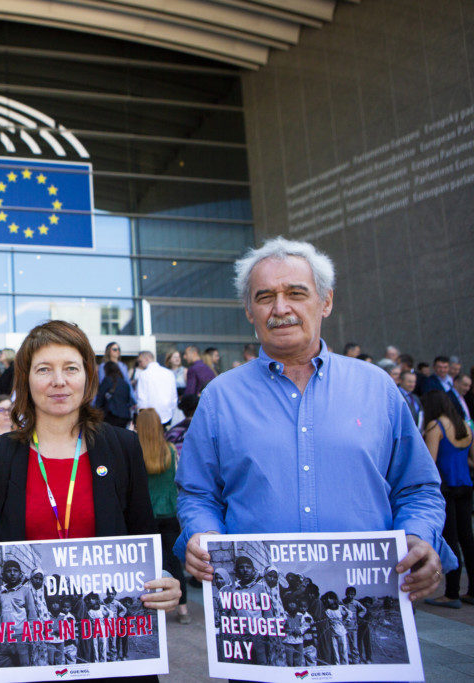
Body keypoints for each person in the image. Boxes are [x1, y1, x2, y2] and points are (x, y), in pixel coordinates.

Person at [177, 237, 452, 610]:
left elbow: (418, 488)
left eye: (296, 293)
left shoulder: (378, 389)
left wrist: (420, 537)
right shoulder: (218, 398)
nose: (280, 308)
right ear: (248, 310)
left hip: (365, 609)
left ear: (326, 301)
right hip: (261, 618)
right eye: (264, 297)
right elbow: (198, 493)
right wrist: (203, 534)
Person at [0, 319, 180, 683]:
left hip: (104, 652)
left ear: (88, 377)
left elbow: (144, 535)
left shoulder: (122, 447)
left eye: (70, 368)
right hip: (24, 644)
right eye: (44, 370)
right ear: (25, 379)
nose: (59, 381)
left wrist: (165, 577)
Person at [420, 390, 474, 608]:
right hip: (465, 486)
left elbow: (430, 463)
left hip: (446, 488)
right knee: (468, 538)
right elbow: (472, 461)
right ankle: (472, 590)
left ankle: (452, 593)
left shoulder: (435, 426)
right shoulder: (465, 425)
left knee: (450, 539)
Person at [136, 408, 189, 624]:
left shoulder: (135, 452)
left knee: (149, 562)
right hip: (169, 511)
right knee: (174, 560)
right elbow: (178, 480)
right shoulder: (169, 450)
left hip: (145, 514)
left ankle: (151, 607)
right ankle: (183, 608)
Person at [134, 351, 177, 425]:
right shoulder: (169, 373)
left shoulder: (143, 375)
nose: (140, 364)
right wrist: (171, 412)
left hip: (149, 417)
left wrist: (141, 416)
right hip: (167, 415)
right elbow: (174, 397)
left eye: (140, 361)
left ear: (146, 359)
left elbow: (142, 399)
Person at [96, 361, 133, 428]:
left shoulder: (107, 380)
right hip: (124, 416)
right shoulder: (124, 383)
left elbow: (100, 398)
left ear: (106, 370)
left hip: (112, 415)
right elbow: (128, 400)